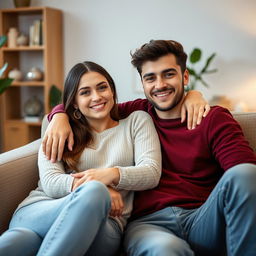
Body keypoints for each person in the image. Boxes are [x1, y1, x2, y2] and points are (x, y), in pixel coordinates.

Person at [41, 40, 256, 256]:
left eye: (169, 74)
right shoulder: (138, 112)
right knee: (165, 250)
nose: (160, 85)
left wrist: (195, 94)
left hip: (204, 218)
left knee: (246, 172)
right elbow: (90, 107)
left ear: (185, 77)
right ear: (143, 84)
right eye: (150, 78)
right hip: (149, 225)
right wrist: (59, 115)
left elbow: (245, 177)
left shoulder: (212, 119)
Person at [0, 61, 162, 256]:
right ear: (74, 101)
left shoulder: (136, 121)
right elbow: (51, 182)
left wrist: (109, 175)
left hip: (106, 225)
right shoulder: (58, 127)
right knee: (17, 239)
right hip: (40, 211)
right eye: (85, 92)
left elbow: (151, 172)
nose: (97, 97)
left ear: (112, 90)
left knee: (21, 240)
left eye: (102, 87)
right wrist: (99, 188)